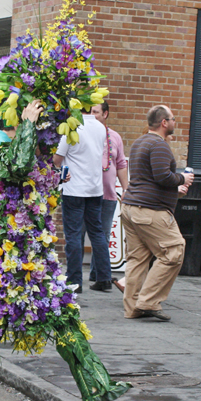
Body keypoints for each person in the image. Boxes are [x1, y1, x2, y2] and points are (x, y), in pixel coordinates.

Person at [120, 105, 193, 322]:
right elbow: (162, 176)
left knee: (137, 259)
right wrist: (182, 179)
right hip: (150, 211)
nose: (174, 122)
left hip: (131, 208)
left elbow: (148, 178)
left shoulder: (139, 142)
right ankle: (148, 302)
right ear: (164, 122)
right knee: (174, 251)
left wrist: (174, 189)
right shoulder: (159, 145)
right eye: (172, 119)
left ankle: (133, 308)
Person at [53, 108, 113, 292]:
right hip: (95, 188)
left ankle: (74, 280)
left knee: (73, 234)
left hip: (74, 189)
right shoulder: (101, 127)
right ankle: (104, 277)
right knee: (97, 233)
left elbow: (57, 159)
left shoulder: (72, 128)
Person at [88, 101, 129, 291]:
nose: (91, 114)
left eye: (95, 112)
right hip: (86, 193)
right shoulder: (84, 133)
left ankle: (98, 273)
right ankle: (78, 277)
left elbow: (120, 163)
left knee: (103, 235)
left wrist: (126, 188)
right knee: (80, 234)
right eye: (89, 111)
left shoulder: (115, 137)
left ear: (105, 114)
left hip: (108, 195)